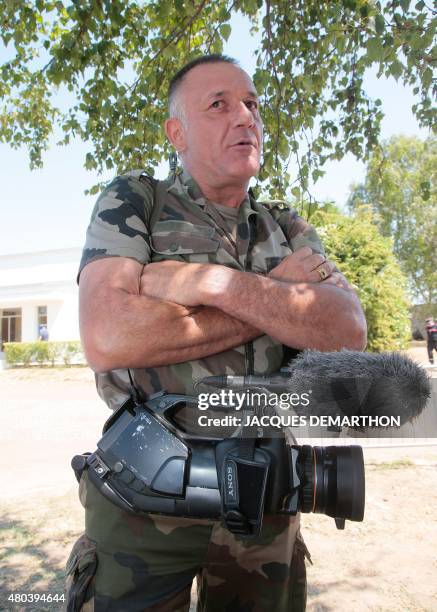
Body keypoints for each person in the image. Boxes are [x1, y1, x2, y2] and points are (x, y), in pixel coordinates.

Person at [66, 54, 367, 611]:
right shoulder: (137, 201)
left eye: (252, 104)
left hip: (267, 502)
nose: (246, 117)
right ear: (176, 133)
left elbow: (348, 332)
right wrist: (277, 293)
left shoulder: (289, 226)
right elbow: (108, 334)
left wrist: (209, 284)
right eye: (219, 105)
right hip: (144, 501)